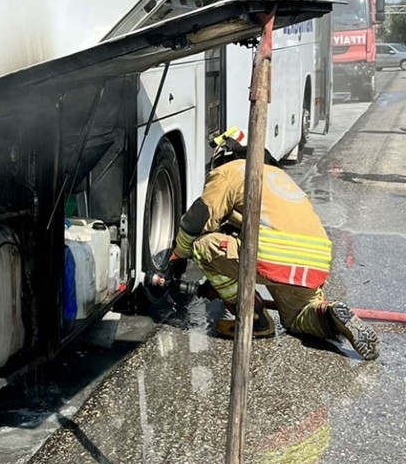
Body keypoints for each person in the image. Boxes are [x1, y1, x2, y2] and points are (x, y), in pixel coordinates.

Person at [159, 128, 380, 360]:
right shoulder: (279, 177)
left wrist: (178, 256)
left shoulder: (229, 171)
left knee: (203, 246)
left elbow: (198, 219)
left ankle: (254, 319)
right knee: (297, 318)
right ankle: (330, 314)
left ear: (224, 155)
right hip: (315, 260)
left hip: (272, 253)